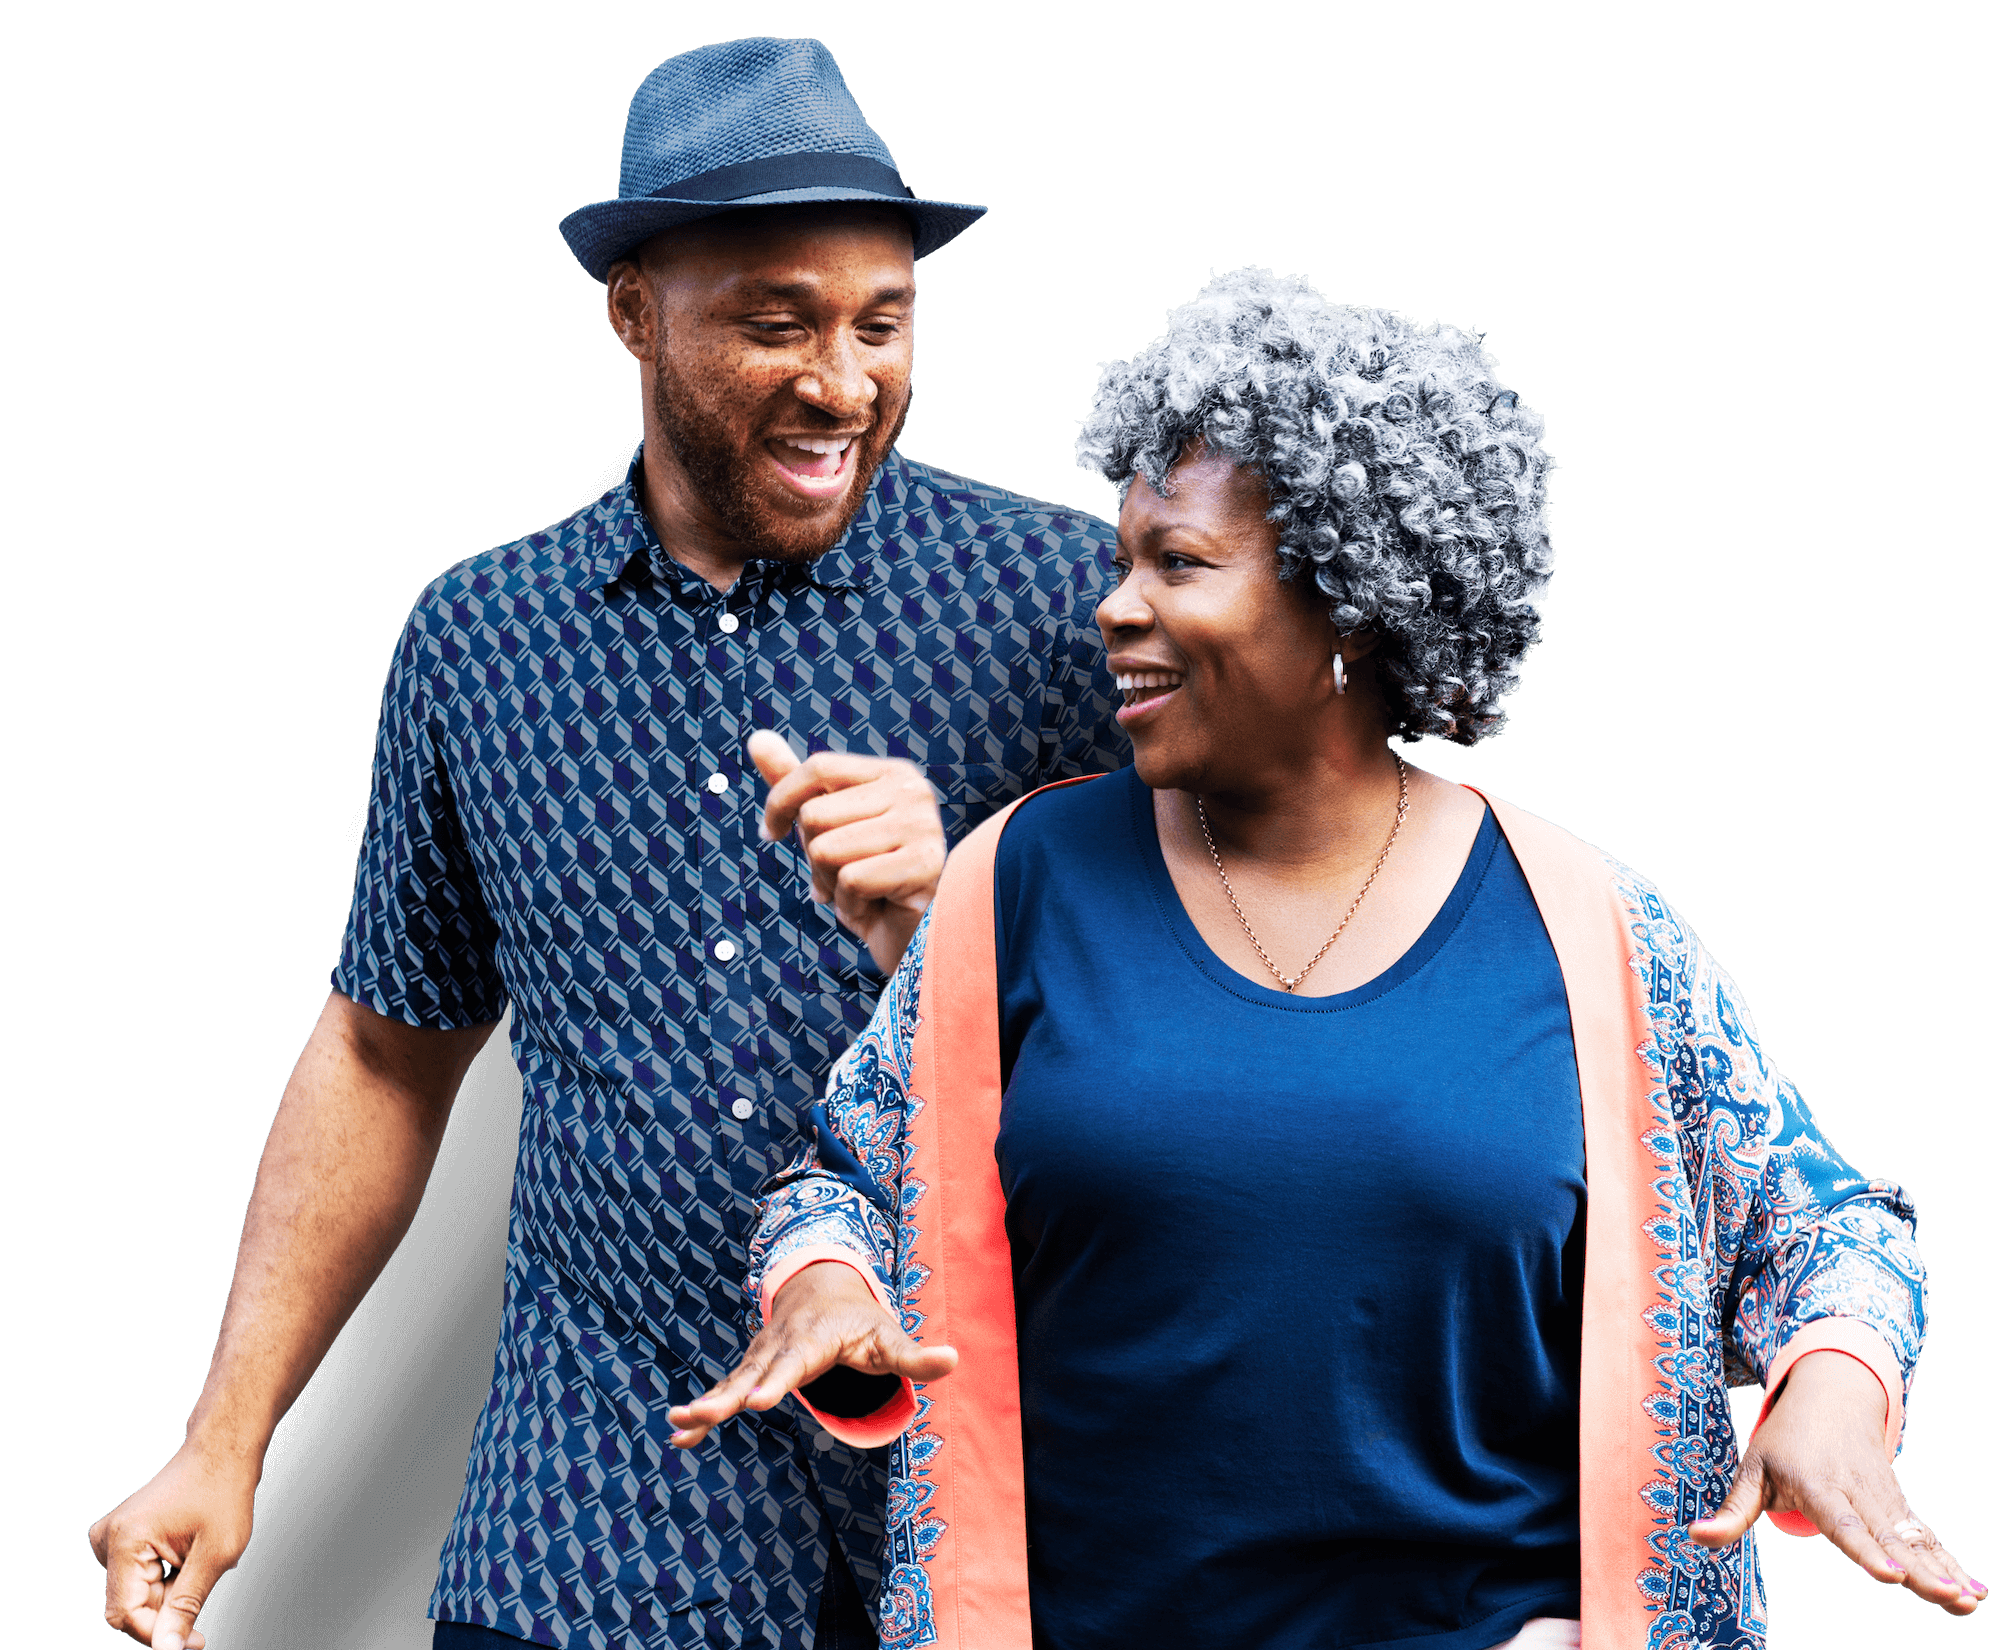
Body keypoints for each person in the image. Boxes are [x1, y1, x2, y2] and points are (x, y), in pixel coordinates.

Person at [670, 270, 1981, 1649]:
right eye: (1123, 561)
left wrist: (1832, 1399)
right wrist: (828, 1286)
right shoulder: (1018, 882)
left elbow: (1827, 1229)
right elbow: (848, 1179)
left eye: (1178, 564)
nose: (1115, 607)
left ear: (1348, 606)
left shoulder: (1592, 928)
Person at [88, 37, 1124, 1650]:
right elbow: (383, 1054)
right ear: (635, 313)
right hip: (585, 1533)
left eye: (882, 322)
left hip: (984, 1527)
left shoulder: (1067, 605)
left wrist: (969, 913)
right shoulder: (479, 641)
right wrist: (222, 1444)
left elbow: (1232, 1012)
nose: (842, 382)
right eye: (775, 322)